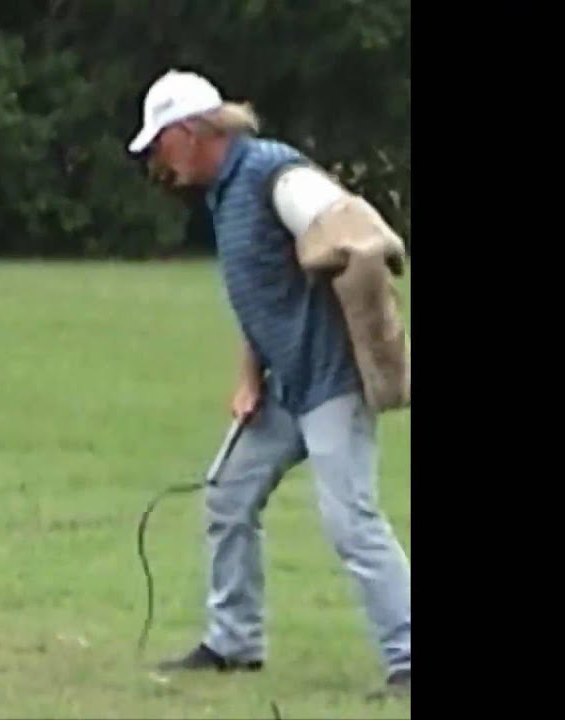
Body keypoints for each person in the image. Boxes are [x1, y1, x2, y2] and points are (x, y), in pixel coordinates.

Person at [126, 69, 411, 700]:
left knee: (351, 522)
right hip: (285, 384)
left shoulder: (271, 172)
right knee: (227, 496)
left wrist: (362, 250)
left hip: (332, 380)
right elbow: (259, 298)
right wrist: (248, 379)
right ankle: (233, 642)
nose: (157, 160)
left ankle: (409, 655)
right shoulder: (223, 197)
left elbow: (340, 219)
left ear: (192, 133)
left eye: (160, 145)